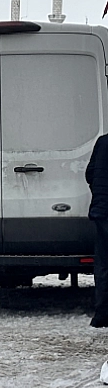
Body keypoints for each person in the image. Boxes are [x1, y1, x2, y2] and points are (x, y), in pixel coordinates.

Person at [86, 132, 108, 326]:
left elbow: (90, 173)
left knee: (103, 265)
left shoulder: (102, 142)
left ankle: (102, 314)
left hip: (102, 211)